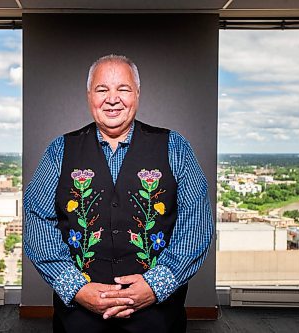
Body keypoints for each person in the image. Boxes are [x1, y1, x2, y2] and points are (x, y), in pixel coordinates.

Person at [23, 54, 214, 333]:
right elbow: (37, 220)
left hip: (157, 320)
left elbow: (196, 225)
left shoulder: (176, 147)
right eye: (102, 89)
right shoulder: (59, 151)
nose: (112, 99)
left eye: (123, 89)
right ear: (89, 95)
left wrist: (155, 286)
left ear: (137, 93)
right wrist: (75, 288)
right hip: (79, 320)